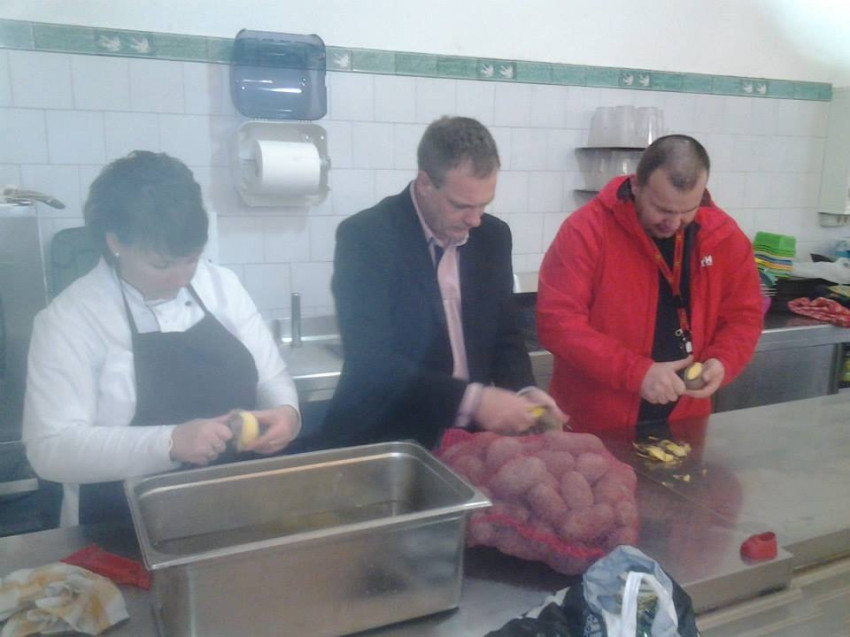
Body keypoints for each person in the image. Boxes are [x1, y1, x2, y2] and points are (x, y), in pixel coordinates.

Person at [23, 151, 300, 527]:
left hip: (234, 510)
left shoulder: (223, 286)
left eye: (192, 259)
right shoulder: (71, 319)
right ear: (115, 241)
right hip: (119, 524)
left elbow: (270, 376)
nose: (181, 277)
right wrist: (170, 442)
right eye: (161, 264)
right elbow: (50, 448)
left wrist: (286, 412)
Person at [322, 116, 565, 449]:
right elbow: (372, 361)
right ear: (425, 183)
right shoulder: (367, 237)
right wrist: (474, 400)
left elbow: (505, 335)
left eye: (484, 204)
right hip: (387, 440)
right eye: (461, 205)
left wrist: (524, 390)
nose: (475, 220)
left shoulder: (493, 236)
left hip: (467, 442)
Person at [537, 134, 763, 432]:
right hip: (594, 426)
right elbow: (558, 323)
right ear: (636, 186)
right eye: (663, 209)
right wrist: (636, 373)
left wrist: (723, 361)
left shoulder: (723, 235)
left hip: (685, 424)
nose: (674, 223)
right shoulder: (587, 230)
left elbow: (744, 316)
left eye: (687, 211)